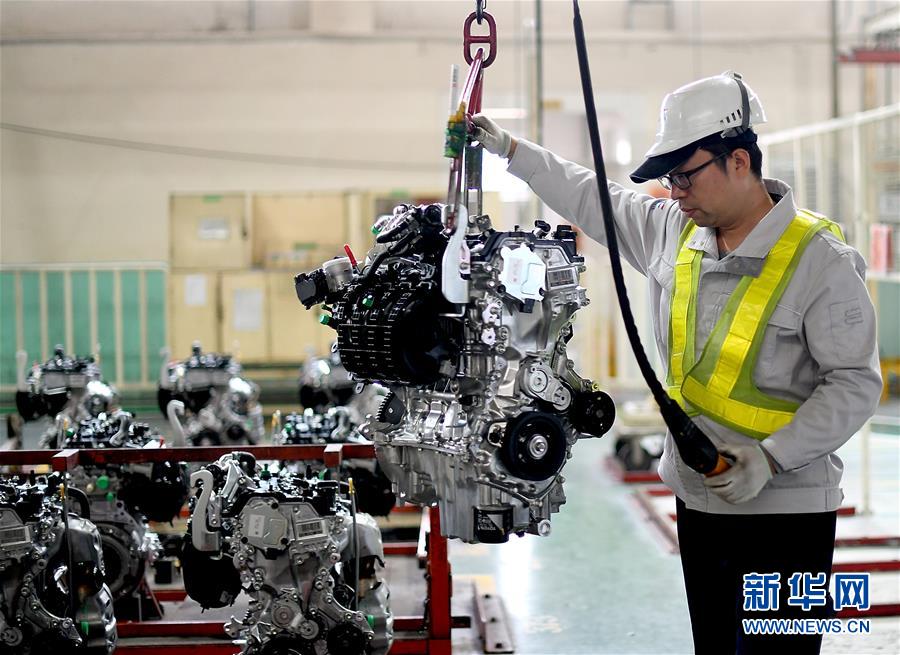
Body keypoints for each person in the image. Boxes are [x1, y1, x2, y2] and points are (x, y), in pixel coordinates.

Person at [471, 71, 882, 654]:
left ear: (738, 161)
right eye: (669, 179)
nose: (676, 192)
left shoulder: (822, 262)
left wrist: (771, 458)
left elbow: (854, 384)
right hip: (698, 497)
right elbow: (595, 197)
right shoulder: (676, 232)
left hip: (787, 514)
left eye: (685, 175)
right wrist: (514, 152)